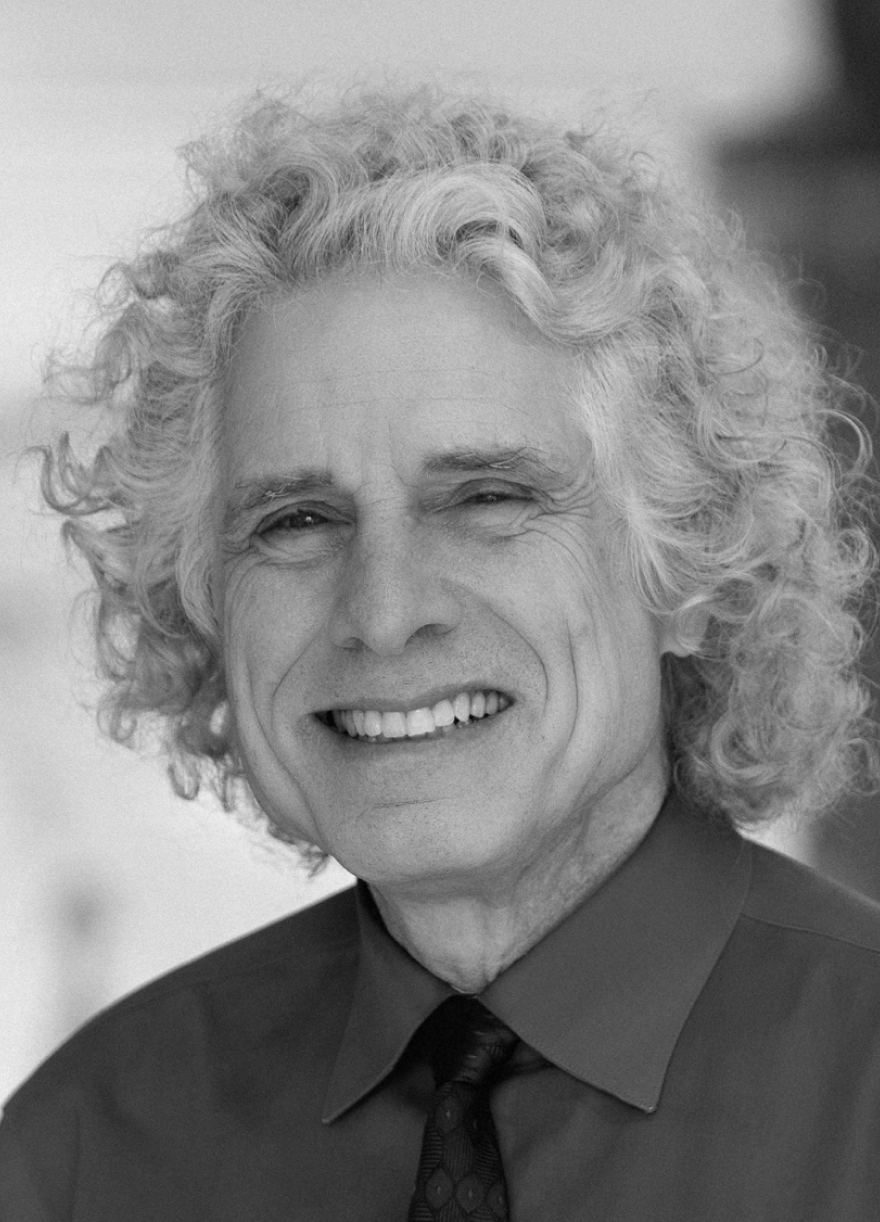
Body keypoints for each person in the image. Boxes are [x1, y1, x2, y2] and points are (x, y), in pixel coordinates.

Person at [1, 80, 879, 1221]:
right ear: (205, 606)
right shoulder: (84, 1153)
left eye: (487, 498)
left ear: (692, 571)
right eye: (296, 520)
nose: (382, 610)